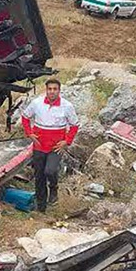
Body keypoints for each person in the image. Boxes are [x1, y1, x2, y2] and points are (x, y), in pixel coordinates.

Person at [21, 78, 79, 212]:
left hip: (56, 147)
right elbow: (25, 117)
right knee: (39, 175)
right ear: (46, 90)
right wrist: (29, 133)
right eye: (49, 89)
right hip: (39, 146)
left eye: (55, 89)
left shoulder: (67, 106)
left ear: (59, 91)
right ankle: (41, 207)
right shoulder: (37, 103)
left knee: (50, 171)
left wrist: (66, 141)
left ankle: (54, 188)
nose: (52, 92)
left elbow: (75, 125)